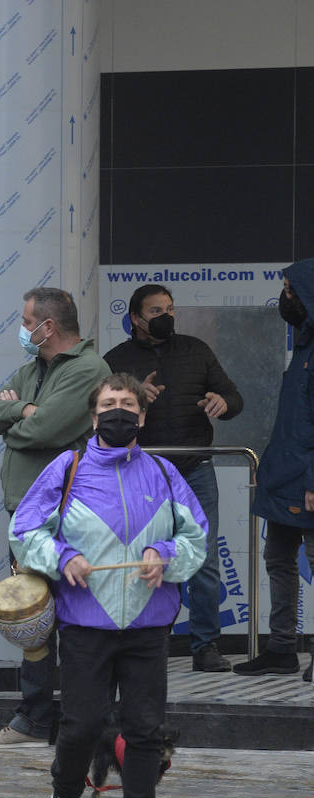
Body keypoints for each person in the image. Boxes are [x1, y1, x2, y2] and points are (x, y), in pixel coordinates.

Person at [12, 373, 206, 798]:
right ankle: (63, 797)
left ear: (141, 416)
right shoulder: (67, 467)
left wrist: (164, 553)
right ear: (94, 416)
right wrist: (63, 555)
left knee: (144, 732)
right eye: (108, 404)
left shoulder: (164, 474)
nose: (118, 411)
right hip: (84, 624)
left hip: (148, 627)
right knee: (81, 728)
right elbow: (25, 530)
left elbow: (197, 540)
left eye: (127, 404)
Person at [0, 287, 111, 748]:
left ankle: (79, 723)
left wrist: (19, 423)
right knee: (29, 614)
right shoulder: (33, 368)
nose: (23, 328)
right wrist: (20, 408)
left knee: (75, 619)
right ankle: (32, 721)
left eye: (26, 320)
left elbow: (39, 432)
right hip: (26, 515)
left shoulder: (89, 370)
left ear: (47, 327)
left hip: (68, 515)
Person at [104, 284, 243, 672]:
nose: (166, 316)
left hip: (195, 469)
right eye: (155, 311)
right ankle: (148, 644)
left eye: (169, 309)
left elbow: (234, 397)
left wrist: (224, 403)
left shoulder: (196, 350)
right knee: (144, 558)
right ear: (135, 318)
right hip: (142, 473)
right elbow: (99, 419)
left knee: (204, 559)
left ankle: (206, 646)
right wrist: (130, 399)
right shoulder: (115, 360)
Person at [243, 263, 314, 677]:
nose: (284, 298)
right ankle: (282, 648)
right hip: (283, 478)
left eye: (289, 290)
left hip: (305, 482)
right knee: (278, 559)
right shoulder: (304, 345)